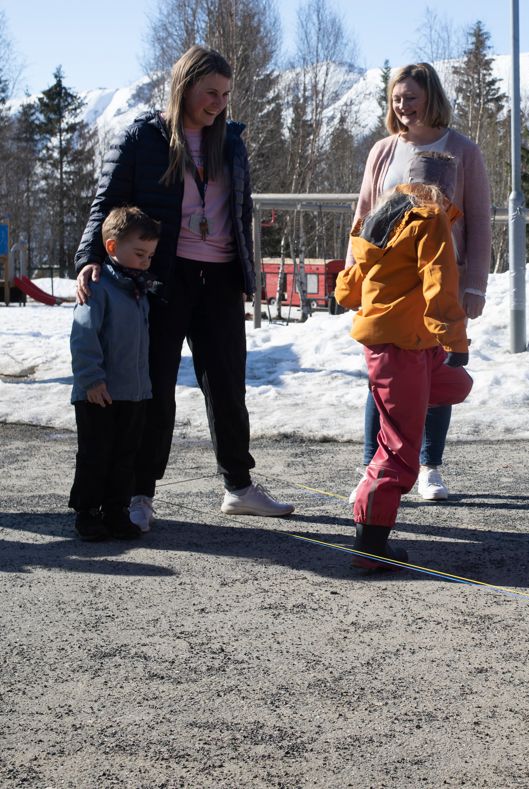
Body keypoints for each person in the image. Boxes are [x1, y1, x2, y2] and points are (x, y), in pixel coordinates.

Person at [75, 45, 293, 530]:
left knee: (228, 385)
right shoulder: (141, 138)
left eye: (226, 94)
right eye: (210, 92)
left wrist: (245, 275)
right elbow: (105, 202)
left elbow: (241, 211)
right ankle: (140, 493)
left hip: (219, 279)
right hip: (160, 280)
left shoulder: (231, 142)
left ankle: (238, 486)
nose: (218, 103)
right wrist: (89, 259)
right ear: (184, 85)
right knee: (154, 389)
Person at [349, 62, 492, 502]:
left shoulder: (463, 150)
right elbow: (363, 216)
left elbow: (481, 221)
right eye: (396, 98)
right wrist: (355, 279)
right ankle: (373, 466)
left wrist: (474, 286)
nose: (402, 106)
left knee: (437, 373)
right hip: (388, 286)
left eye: (410, 97)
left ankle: (430, 466)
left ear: (431, 97)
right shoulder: (383, 151)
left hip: (441, 282)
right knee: (385, 376)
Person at [336, 151, 473, 569]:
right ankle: (370, 543)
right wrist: (455, 339)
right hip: (401, 349)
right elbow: (440, 283)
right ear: (445, 188)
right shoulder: (430, 218)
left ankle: (372, 521)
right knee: (399, 449)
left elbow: (348, 291)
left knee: (456, 385)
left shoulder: (382, 217)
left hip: (397, 345)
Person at [69, 207, 161, 541]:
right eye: (139, 254)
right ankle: (88, 512)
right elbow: (83, 336)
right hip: (100, 392)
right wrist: (91, 379)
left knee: (125, 455)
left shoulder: (138, 290)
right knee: (96, 454)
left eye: (150, 256)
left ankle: (116, 510)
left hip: (133, 392)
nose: (145, 262)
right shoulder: (97, 287)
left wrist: (144, 386)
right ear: (111, 247)